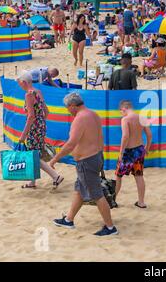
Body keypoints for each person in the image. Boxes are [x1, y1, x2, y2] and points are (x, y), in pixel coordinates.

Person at [51, 93, 118, 236]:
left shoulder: (80, 119)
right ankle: (69, 220)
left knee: (97, 194)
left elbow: (71, 144)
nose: (67, 110)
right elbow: (97, 137)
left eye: (67, 107)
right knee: (79, 190)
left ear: (73, 106)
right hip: (96, 157)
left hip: (87, 161)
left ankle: (110, 228)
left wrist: (54, 159)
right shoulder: (93, 114)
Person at [16, 71, 64, 189]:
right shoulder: (38, 92)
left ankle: (55, 176)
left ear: (23, 82)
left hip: (34, 128)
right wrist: (40, 123)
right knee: (35, 154)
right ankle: (32, 182)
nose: (19, 86)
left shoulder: (28, 95)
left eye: (19, 83)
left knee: (33, 155)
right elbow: (46, 111)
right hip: (41, 126)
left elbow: (31, 116)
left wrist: (23, 135)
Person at [115, 100, 152, 209]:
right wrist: (147, 148)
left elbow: (125, 136)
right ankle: (141, 202)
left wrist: (121, 152)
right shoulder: (142, 117)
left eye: (121, 111)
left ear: (124, 109)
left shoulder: (125, 119)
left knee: (118, 176)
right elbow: (149, 135)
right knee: (139, 175)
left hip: (128, 151)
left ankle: (113, 200)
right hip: (140, 150)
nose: (121, 114)